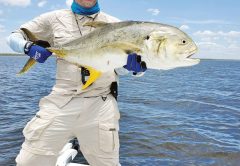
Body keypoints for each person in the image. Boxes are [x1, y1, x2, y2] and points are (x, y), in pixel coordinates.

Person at [7, 0, 147, 165]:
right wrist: (27, 47)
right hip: (61, 101)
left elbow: (119, 68)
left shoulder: (117, 25)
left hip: (101, 103)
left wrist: (135, 68)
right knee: (28, 162)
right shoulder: (53, 18)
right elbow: (13, 37)